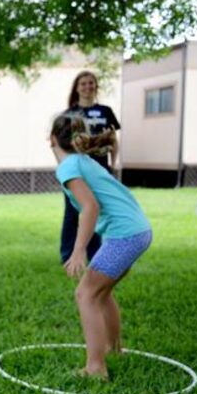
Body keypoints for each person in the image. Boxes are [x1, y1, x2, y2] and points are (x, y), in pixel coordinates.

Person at [50, 114, 151, 379]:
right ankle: (113, 349)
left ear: (52, 140)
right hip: (138, 231)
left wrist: (78, 249)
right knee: (102, 293)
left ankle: (96, 367)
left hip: (125, 235)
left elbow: (90, 207)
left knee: (86, 294)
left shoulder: (68, 166)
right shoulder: (84, 161)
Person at [60, 71, 121, 264]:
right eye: (83, 83)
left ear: (96, 86)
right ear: (77, 88)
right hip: (77, 169)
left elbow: (113, 140)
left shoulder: (105, 111)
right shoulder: (69, 114)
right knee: (72, 211)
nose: (87, 87)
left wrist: (113, 164)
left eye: (91, 83)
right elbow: (62, 143)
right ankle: (68, 254)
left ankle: (95, 254)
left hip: (100, 168)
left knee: (97, 211)